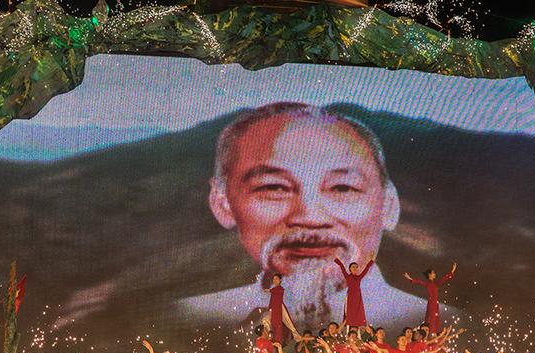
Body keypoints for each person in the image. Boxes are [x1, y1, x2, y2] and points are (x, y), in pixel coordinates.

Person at [177, 102, 433, 333]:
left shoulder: (430, 323)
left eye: (342, 188)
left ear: (388, 206)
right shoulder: (192, 320)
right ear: (222, 203)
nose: (309, 217)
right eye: (274, 187)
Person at [404, 263, 457, 334]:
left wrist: (452, 271)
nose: (435, 274)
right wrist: (410, 279)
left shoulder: (435, 284)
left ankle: (434, 333)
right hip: (432, 303)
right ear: (429, 275)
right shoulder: (428, 283)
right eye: (433, 273)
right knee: (431, 318)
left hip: (435, 303)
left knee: (435, 319)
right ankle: (430, 332)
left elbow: (444, 279)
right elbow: (420, 282)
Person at [333, 255, 374, 329]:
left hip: (358, 296)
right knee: (349, 312)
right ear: (350, 269)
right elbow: (342, 267)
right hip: (350, 297)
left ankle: (359, 326)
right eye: (353, 267)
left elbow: (366, 269)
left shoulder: (359, 277)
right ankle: (347, 325)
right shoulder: (348, 276)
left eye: (356, 267)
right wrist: (336, 259)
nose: (355, 268)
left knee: (359, 311)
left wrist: (371, 260)